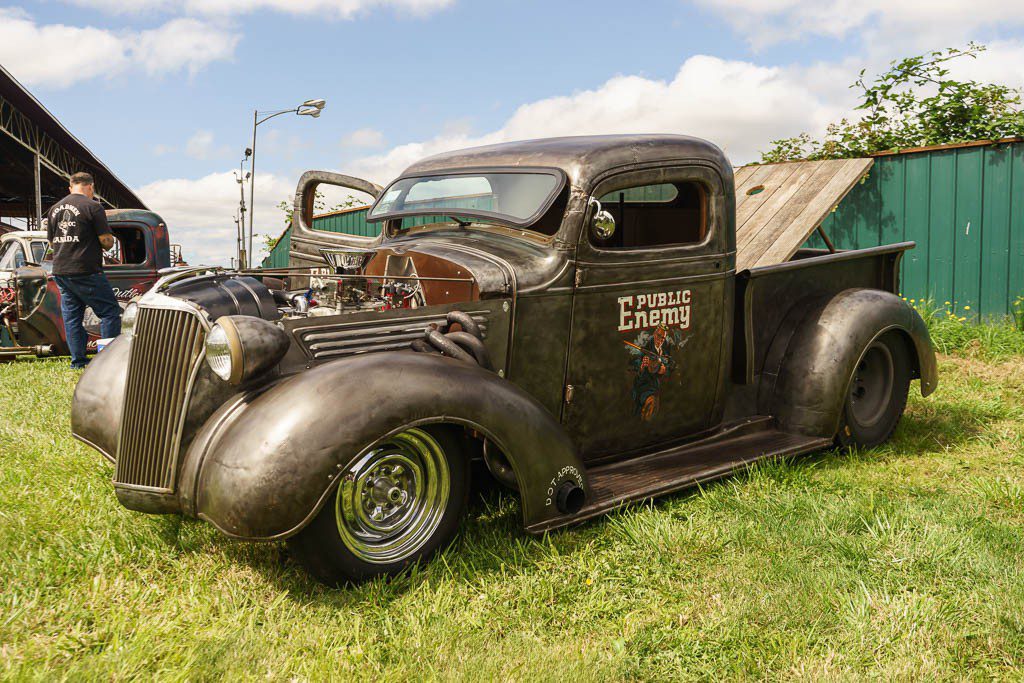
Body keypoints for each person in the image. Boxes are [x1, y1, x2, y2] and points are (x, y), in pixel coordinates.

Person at [47, 171, 121, 369]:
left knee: (72, 317)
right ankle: (107, 361)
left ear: (71, 187)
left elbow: (52, 242)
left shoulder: (54, 209)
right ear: (91, 187)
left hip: (61, 270)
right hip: (86, 269)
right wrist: (109, 242)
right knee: (109, 312)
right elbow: (105, 241)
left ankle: (78, 361)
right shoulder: (93, 207)